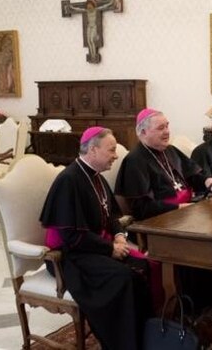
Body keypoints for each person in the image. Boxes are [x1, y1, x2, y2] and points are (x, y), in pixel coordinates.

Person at [40, 127, 159, 350]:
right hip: (69, 256)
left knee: (144, 266)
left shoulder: (97, 178)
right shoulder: (69, 180)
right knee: (123, 276)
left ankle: (146, 335)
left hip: (94, 247)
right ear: (93, 150)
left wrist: (120, 237)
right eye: (111, 150)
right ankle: (122, 343)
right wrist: (110, 248)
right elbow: (71, 235)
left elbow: (112, 215)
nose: (116, 155)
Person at [115, 108, 212, 312]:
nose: (167, 131)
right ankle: (190, 304)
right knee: (200, 245)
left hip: (186, 214)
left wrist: (208, 180)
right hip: (158, 223)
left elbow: (193, 175)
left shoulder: (170, 151)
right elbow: (141, 208)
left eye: (167, 126)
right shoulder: (134, 161)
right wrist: (178, 207)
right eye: (160, 128)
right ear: (143, 132)